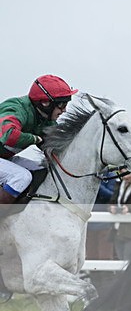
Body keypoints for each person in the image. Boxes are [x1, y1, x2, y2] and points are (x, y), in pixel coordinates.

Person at [0, 75, 78, 219]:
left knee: (43, 169)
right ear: (45, 103)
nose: (65, 110)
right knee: (21, 177)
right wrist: (36, 139)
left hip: (5, 158)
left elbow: (57, 147)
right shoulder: (15, 108)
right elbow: (10, 135)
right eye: (62, 105)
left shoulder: (44, 119)